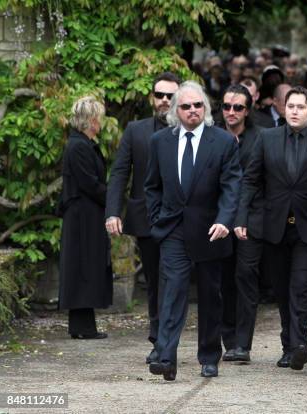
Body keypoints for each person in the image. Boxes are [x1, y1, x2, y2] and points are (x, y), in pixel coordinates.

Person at [144, 81, 241, 381]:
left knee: (211, 295)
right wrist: (157, 217)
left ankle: (209, 356)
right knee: (172, 292)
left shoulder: (223, 142)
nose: (192, 111)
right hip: (173, 228)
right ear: (176, 111)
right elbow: (151, 186)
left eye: (197, 105)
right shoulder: (160, 141)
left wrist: (225, 220)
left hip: (212, 230)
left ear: (206, 108)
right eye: (185, 106)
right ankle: (165, 356)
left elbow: (231, 186)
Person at [235, 86, 307, 371]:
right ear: (283, 108)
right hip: (274, 225)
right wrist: (241, 218)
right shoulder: (267, 138)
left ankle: (299, 344)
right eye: (290, 106)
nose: (294, 111)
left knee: (301, 287)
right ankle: (287, 345)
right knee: (281, 289)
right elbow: (251, 180)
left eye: (301, 107)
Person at [105, 72, 180, 363]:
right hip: (146, 217)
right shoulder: (136, 130)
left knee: (173, 279)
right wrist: (113, 211)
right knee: (153, 279)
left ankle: (166, 340)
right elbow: (120, 172)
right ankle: (158, 337)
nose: (163, 101)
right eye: (159, 95)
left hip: (181, 218)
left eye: (169, 96)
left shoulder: (190, 129)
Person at [58, 96, 112, 339]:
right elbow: (89, 183)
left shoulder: (82, 143)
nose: (100, 122)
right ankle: (82, 328)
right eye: (98, 118)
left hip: (86, 214)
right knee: (83, 266)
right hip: (82, 216)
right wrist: (112, 198)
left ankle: (83, 327)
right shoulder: (79, 146)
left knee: (85, 266)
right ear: (91, 120)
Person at [217, 85, 263, 363]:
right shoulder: (212, 136)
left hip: (250, 221)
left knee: (245, 277)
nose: (231, 112)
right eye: (226, 106)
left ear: (248, 110)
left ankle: (242, 345)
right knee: (222, 281)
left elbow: (259, 182)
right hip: (219, 220)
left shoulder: (260, 138)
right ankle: (229, 339)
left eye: (237, 107)